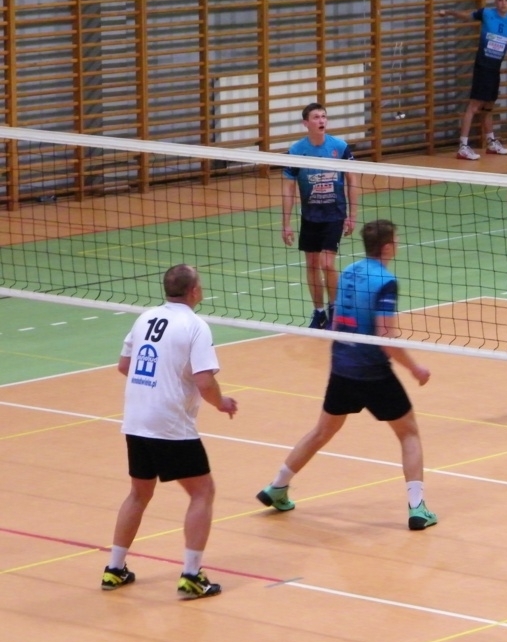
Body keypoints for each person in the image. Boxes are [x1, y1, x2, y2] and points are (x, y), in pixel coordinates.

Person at [257, 220, 438, 530]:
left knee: (322, 431)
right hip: (372, 372)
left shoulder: (349, 271)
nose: (397, 244)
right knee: (408, 433)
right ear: (387, 247)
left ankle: (277, 486)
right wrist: (414, 368)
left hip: (342, 365)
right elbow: (385, 337)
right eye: (396, 240)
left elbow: (339, 319)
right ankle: (417, 508)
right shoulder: (386, 281)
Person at [102, 265, 239, 600]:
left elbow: (124, 365)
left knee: (139, 493)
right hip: (169, 423)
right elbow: (204, 380)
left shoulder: (145, 318)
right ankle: (192, 575)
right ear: (194, 291)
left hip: (136, 418)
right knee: (202, 492)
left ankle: (114, 569)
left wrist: (156, 383)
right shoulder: (195, 325)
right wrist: (221, 403)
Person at [282, 102, 360, 329]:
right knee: (312, 264)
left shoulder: (340, 147)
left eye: (324, 116)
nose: (321, 120)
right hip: (310, 216)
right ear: (305, 123)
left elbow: (352, 180)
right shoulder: (296, 151)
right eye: (316, 117)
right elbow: (288, 189)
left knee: (327, 264)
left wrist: (352, 215)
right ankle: (319, 313)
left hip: (334, 214)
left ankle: (334, 309)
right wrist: (286, 224)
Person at [438, 0, 507, 160]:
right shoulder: (486, 13)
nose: (503, 3)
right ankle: (463, 146)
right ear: (495, 1)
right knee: (474, 107)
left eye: (506, 0)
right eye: (500, 0)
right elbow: (466, 16)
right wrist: (450, 12)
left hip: (495, 68)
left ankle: (491, 142)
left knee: (489, 106)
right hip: (483, 66)